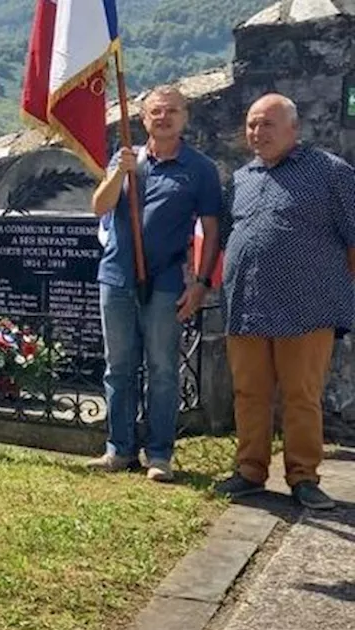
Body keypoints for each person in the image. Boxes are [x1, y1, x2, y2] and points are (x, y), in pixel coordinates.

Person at [197, 94, 355, 510]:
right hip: (247, 305)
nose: (257, 132)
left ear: (293, 128)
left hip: (307, 308)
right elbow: (230, 237)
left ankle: (303, 477)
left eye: (267, 124)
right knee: (249, 393)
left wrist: (338, 288)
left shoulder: (330, 173)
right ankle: (250, 471)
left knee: (301, 396)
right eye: (251, 124)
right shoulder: (243, 178)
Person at [87, 86, 223, 482]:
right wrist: (119, 172)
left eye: (172, 111)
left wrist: (200, 284)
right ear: (143, 119)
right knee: (119, 366)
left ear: (185, 117)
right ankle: (119, 449)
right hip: (115, 277)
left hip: (165, 282)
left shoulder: (200, 169)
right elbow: (99, 206)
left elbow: (212, 231)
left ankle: (159, 454)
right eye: (155, 112)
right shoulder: (126, 159)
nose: (163, 118)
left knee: (162, 368)